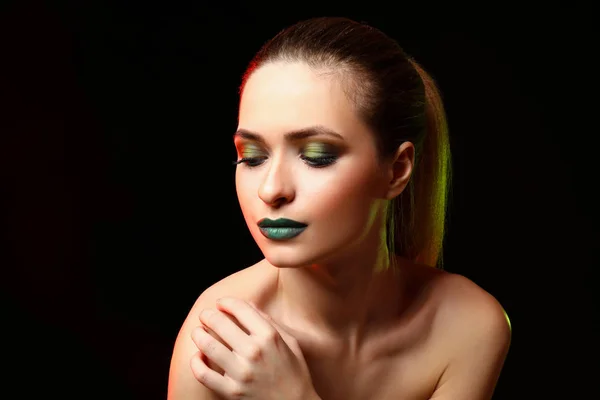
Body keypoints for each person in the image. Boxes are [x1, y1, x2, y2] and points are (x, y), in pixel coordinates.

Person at [167, 17, 511, 400]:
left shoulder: (469, 327)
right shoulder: (219, 337)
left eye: (317, 156)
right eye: (252, 157)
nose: (271, 189)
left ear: (396, 170)